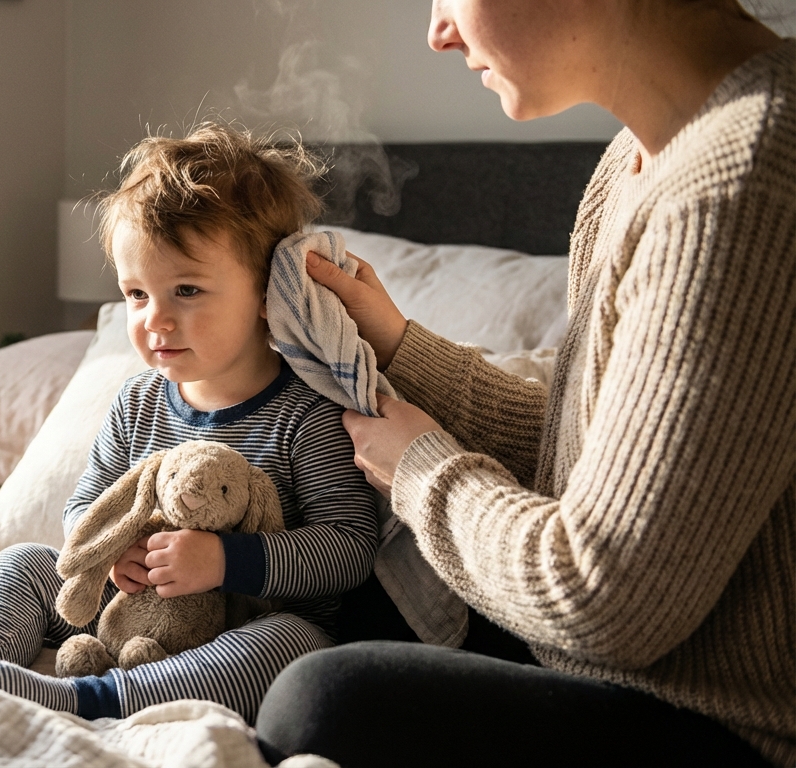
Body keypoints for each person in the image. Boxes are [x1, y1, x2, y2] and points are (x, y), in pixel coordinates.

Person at [255, 1, 795, 767]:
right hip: (619, 673)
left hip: (731, 725)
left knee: (321, 704)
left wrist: (421, 470)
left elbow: (604, 599)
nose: (438, 31)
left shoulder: (744, 183)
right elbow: (608, 451)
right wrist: (402, 350)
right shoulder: (635, 161)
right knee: (351, 600)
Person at [0, 122, 379, 722]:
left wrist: (227, 560)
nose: (155, 320)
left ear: (270, 292)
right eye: (137, 294)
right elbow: (87, 507)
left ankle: (90, 699)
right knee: (24, 563)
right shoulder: (137, 403)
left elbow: (349, 548)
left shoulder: (306, 413)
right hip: (133, 606)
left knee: (291, 648)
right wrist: (110, 551)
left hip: (246, 617)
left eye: (188, 290)